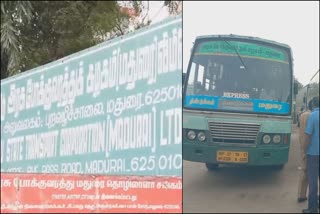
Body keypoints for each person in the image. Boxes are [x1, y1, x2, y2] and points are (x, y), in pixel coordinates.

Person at [303, 96, 319, 213]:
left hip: (314, 154)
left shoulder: (313, 116)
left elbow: (308, 136)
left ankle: (313, 208)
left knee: (313, 181)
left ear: (313, 104)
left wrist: (304, 150)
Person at [297, 100, 313, 203]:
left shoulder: (302, 115)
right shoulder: (313, 116)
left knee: (304, 171)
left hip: (303, 145)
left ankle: (301, 195)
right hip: (312, 147)